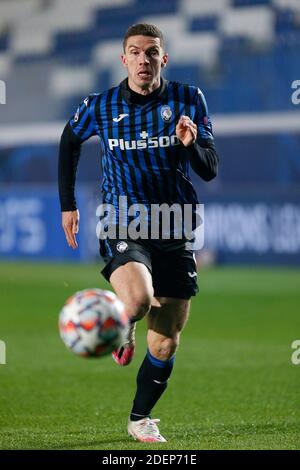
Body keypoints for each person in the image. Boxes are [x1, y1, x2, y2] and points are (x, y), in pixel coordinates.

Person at [58, 23, 218, 443]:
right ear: (123, 58)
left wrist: (191, 143)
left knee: (165, 343)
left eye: (152, 53)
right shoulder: (101, 105)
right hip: (122, 219)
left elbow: (209, 168)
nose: (143, 60)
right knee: (138, 299)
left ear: (163, 58)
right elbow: (68, 141)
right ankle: (121, 323)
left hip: (175, 225)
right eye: (135, 52)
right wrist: (68, 204)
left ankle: (139, 417)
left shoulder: (188, 99)